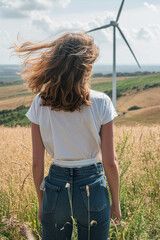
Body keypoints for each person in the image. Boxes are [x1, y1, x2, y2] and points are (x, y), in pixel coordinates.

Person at [15, 32, 121, 240]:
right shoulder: (102, 102)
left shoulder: (40, 102)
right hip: (92, 184)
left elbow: (37, 163)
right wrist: (115, 204)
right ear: (86, 66)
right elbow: (110, 161)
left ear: (56, 62)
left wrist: (42, 202)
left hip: (56, 184)